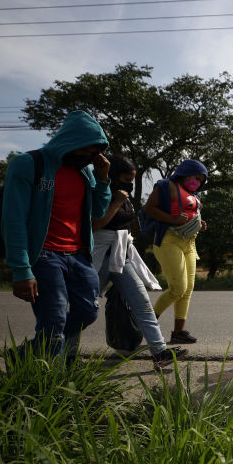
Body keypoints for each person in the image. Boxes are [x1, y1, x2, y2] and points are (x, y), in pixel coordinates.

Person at [2, 110, 111, 363]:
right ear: (70, 141)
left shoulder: (85, 172)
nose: (88, 156)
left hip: (79, 255)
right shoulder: (29, 164)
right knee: (53, 321)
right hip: (44, 256)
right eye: (85, 150)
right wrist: (21, 270)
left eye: (94, 152)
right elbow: (13, 219)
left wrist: (103, 179)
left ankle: (25, 355)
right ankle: (51, 379)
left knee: (88, 312)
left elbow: (98, 212)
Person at [92, 155, 187, 370]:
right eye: (126, 179)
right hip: (100, 257)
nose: (130, 184)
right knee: (85, 309)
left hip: (121, 256)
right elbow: (96, 224)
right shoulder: (100, 193)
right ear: (113, 176)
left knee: (143, 304)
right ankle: (65, 353)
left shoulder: (125, 198)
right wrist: (116, 202)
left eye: (132, 180)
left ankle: (159, 352)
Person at [141, 159, 208, 345]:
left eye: (201, 180)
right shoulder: (166, 186)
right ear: (185, 172)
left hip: (190, 243)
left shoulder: (194, 195)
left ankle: (178, 332)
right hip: (168, 240)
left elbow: (191, 214)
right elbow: (149, 208)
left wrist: (199, 224)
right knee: (178, 288)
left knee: (187, 289)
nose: (197, 182)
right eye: (195, 177)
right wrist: (172, 219)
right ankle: (146, 325)